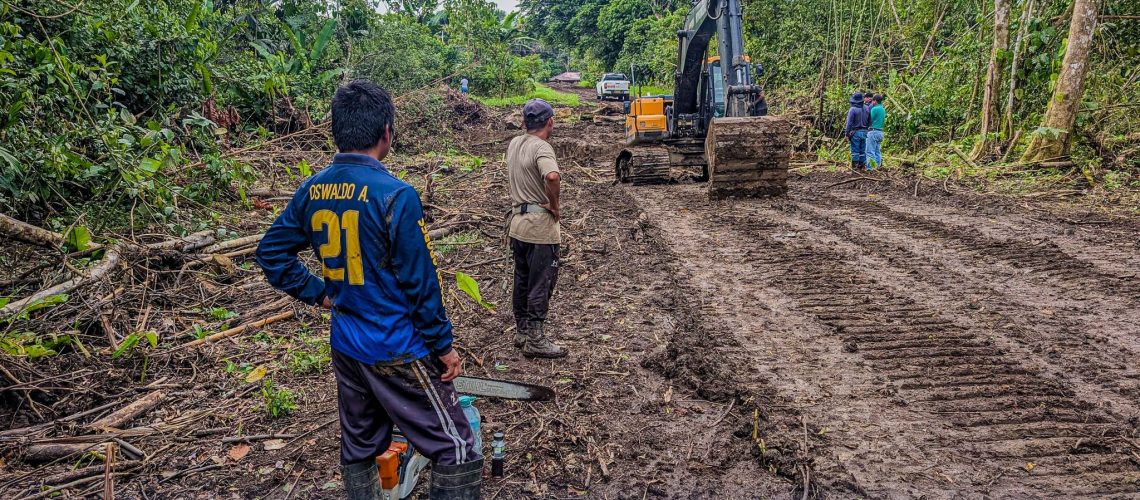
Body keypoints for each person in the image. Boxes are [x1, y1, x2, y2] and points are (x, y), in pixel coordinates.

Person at [255, 80, 482, 500]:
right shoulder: (396, 195)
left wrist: (319, 292)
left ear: (336, 132)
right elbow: (421, 284)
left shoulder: (313, 189)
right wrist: (443, 346)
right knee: (457, 449)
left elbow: (271, 253)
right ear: (387, 133)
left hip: (347, 345)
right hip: (397, 346)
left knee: (360, 446)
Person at [506, 98, 567, 359]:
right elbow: (552, 176)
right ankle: (536, 339)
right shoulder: (542, 147)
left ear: (524, 122)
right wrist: (555, 204)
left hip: (517, 225)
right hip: (540, 227)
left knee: (521, 278)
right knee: (541, 282)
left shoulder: (515, 143)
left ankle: (522, 332)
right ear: (550, 122)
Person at [843, 92, 869, 171]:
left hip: (856, 132)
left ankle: (855, 168)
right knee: (862, 150)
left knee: (855, 150)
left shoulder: (852, 109)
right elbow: (869, 120)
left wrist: (846, 134)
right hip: (865, 132)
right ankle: (862, 167)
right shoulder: (867, 108)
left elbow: (849, 123)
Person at [865, 94, 886, 169]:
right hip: (880, 132)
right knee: (877, 151)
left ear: (875, 101)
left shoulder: (874, 109)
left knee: (870, 151)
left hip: (873, 131)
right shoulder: (883, 109)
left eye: (873, 101)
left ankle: (870, 168)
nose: (872, 102)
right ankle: (877, 167)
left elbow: (870, 120)